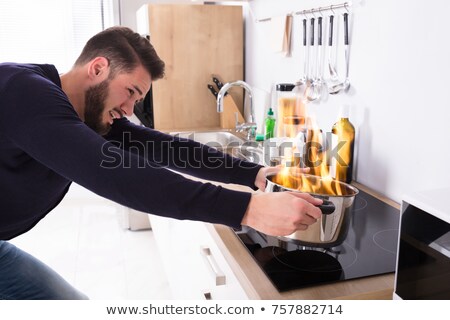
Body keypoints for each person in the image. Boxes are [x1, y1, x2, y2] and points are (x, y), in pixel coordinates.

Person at [0, 26, 322, 299]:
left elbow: (166, 148)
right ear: (97, 68)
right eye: (129, 92)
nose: (128, 110)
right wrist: (248, 209)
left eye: (136, 100)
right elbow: (112, 173)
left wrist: (255, 174)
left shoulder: (88, 116)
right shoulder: (25, 92)